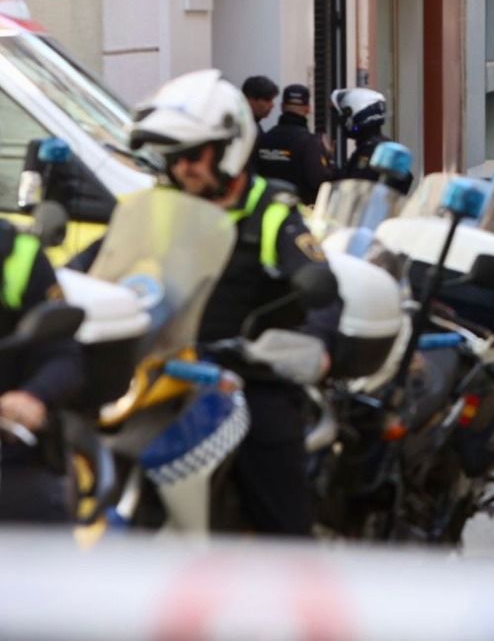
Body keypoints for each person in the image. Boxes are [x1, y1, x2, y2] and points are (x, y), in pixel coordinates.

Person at [72, 69, 342, 534]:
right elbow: (93, 266)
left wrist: (310, 346)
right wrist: (57, 300)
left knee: (278, 497)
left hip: (244, 374)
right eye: (174, 157)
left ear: (230, 147)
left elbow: (322, 290)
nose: (182, 169)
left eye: (194, 155)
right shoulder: (162, 206)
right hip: (163, 369)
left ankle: (292, 592)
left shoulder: (271, 211)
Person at [0, 220, 84, 524]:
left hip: (7, 452)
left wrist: (32, 396)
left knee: (39, 517)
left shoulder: (18, 256)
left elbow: (63, 356)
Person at [254, 84, 332, 205]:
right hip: (297, 213)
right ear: (308, 109)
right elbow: (318, 180)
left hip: (265, 209)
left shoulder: (264, 139)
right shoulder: (310, 143)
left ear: (282, 107)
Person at [331, 87, 412, 191]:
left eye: (344, 116)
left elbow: (357, 186)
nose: (341, 122)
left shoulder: (372, 150)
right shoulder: (373, 146)